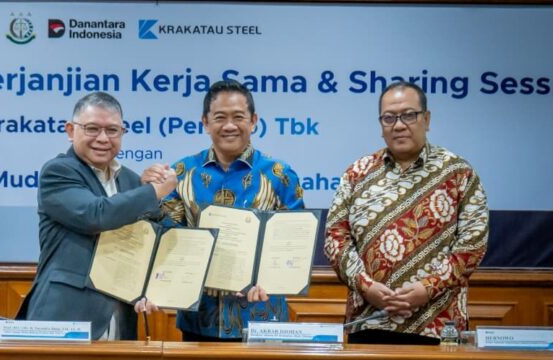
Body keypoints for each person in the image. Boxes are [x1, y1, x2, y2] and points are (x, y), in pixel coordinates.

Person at [141, 80, 305, 341]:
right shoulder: (181, 173)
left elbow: (293, 244)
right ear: (206, 123)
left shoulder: (279, 175)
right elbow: (168, 237)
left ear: (253, 121)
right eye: (220, 117)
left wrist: (268, 278)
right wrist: (149, 196)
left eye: (238, 117)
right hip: (199, 321)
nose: (229, 125)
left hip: (261, 317)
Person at [324, 81, 489, 342]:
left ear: (427, 119)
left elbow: (473, 244)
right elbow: (335, 238)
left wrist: (429, 287)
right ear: (381, 124)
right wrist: (366, 286)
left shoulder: (458, 173)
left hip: (437, 325)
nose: (399, 125)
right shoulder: (357, 173)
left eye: (409, 115)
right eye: (389, 118)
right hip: (369, 321)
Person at [15, 92, 178, 340]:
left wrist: (151, 286)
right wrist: (154, 191)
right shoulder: (58, 172)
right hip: (64, 317)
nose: (103, 138)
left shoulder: (131, 181)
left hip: (119, 320)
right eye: (92, 128)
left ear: (122, 133)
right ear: (71, 131)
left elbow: (147, 241)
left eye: (112, 130)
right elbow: (96, 214)